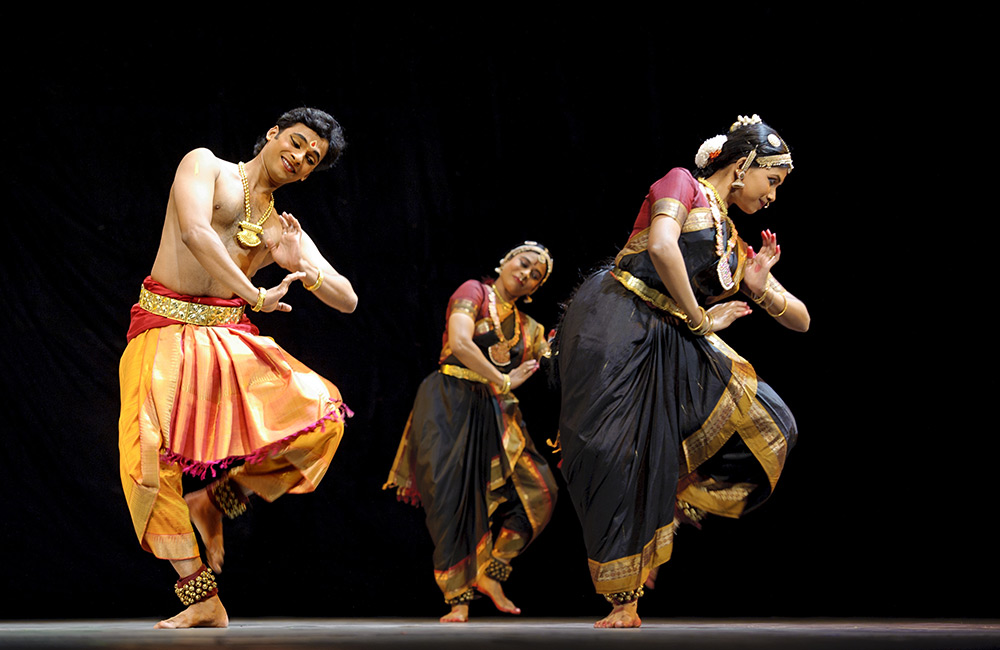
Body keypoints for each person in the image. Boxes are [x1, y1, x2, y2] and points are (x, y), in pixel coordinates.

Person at [556, 115, 809, 628]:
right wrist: (700, 317)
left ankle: (675, 492)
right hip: (616, 317)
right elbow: (661, 247)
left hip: (672, 335)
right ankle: (624, 602)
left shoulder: (733, 242)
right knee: (613, 450)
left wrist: (760, 288)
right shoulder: (682, 184)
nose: (773, 196)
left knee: (772, 422)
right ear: (743, 166)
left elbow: (803, 320)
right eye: (772, 181)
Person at [118, 107, 358, 629]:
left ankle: (221, 499)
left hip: (227, 337)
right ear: (274, 133)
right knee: (147, 458)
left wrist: (305, 268)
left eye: (311, 160)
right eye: (296, 144)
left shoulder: (280, 229)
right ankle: (199, 595)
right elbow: (194, 233)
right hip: (163, 327)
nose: (298, 159)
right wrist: (254, 293)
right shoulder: (206, 166)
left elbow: (348, 299)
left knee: (324, 416)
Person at [384, 242, 558, 623]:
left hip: (494, 410)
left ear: (535, 289)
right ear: (505, 261)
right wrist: (503, 378)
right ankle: (457, 600)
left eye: (535, 275)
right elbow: (461, 341)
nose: (526, 273)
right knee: (452, 499)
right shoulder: (473, 292)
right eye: (523, 264)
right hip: (448, 400)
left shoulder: (532, 329)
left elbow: (559, 360)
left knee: (541, 489)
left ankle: (491, 571)